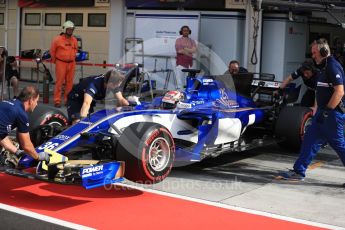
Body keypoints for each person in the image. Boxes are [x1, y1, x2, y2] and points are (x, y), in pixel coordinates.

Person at [279, 39, 345, 181]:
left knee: (340, 146)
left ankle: (299, 170)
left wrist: (327, 111)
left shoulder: (332, 66)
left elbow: (339, 91)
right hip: (323, 113)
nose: (313, 55)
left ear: (323, 52)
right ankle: (299, 171)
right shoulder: (323, 67)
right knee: (310, 140)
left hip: (332, 115)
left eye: (315, 52)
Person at [0, 86, 50, 166]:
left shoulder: (7, 102)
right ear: (31, 100)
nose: (36, 104)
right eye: (36, 101)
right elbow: (26, 145)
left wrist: (16, 151)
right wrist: (38, 156)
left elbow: (1, 136)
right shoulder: (21, 113)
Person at [66, 70, 131, 124]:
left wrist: (131, 105)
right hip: (76, 100)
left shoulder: (112, 83)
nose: (118, 86)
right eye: (118, 85)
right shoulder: (93, 85)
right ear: (111, 84)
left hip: (89, 100)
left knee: (90, 123)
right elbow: (86, 103)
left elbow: (121, 99)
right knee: (78, 123)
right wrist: (82, 121)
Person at [50, 20, 78, 108]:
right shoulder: (57, 39)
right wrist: (56, 61)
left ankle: (67, 100)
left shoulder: (74, 40)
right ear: (65, 29)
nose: (70, 31)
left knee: (69, 83)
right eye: (69, 29)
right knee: (59, 82)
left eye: (72, 29)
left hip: (71, 63)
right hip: (61, 63)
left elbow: (76, 50)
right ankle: (57, 101)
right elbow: (52, 52)